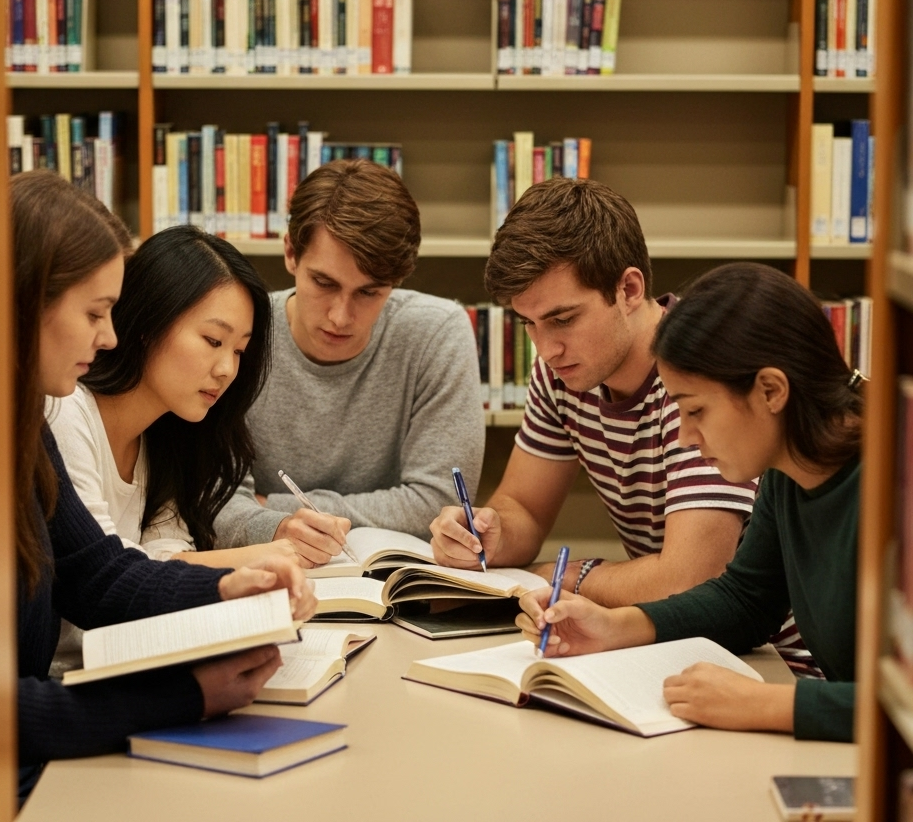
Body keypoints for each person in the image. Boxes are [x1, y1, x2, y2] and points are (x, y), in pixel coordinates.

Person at [427, 178, 813, 672]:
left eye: (563, 319)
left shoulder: (699, 380)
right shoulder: (561, 372)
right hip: (671, 641)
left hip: (767, 657)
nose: (546, 349)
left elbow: (689, 580)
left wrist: (561, 575)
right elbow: (522, 506)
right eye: (529, 324)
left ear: (629, 289)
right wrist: (488, 535)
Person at [13, 172, 316, 798]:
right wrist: (185, 695)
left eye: (240, 349)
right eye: (96, 313)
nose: (109, 337)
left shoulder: (23, 430)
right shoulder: (53, 417)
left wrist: (229, 585)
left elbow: (100, 573)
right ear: (26, 302)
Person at [516, 262, 859, 743]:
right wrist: (613, 627)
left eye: (696, 410)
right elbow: (745, 600)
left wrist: (765, 704)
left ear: (770, 390)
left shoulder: (891, 485)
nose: (686, 435)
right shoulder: (789, 468)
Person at [215, 159, 484, 567]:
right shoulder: (240, 334)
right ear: (290, 253)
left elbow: (438, 503)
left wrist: (273, 506)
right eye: (324, 283)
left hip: (396, 584)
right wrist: (276, 527)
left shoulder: (438, 332)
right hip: (261, 573)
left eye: (369, 293)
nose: (341, 317)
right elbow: (210, 498)